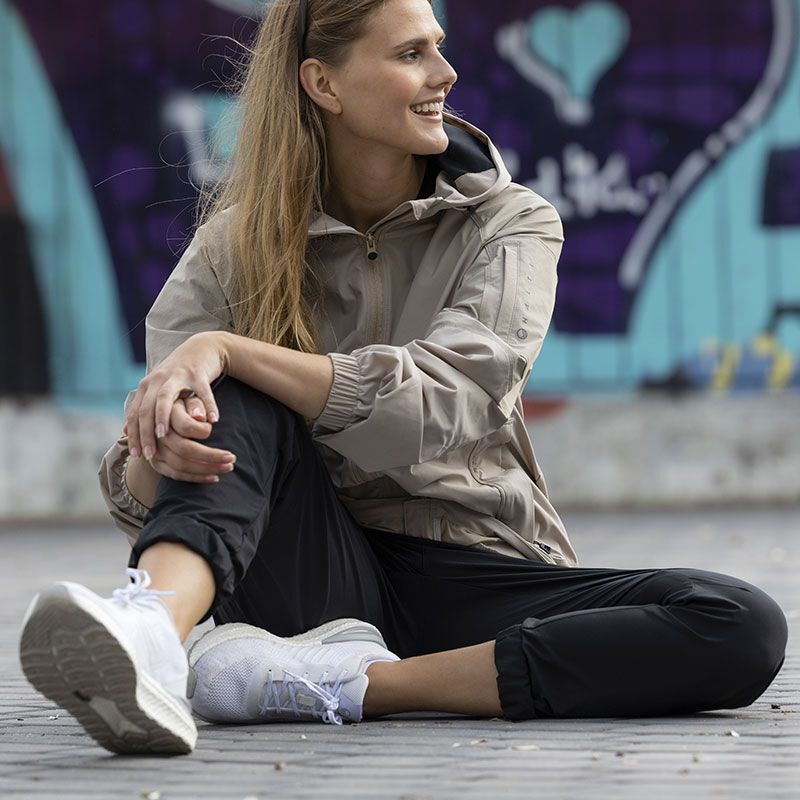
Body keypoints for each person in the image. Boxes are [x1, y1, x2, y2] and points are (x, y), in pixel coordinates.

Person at [20, 0, 787, 756]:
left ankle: (345, 686)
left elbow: (445, 402)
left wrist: (231, 351)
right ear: (324, 84)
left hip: (476, 571)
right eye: (411, 54)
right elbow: (145, 475)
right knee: (227, 391)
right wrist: (164, 447)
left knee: (739, 621)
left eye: (439, 48)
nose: (446, 74)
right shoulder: (235, 245)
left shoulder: (509, 223)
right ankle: (151, 633)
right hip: (312, 577)